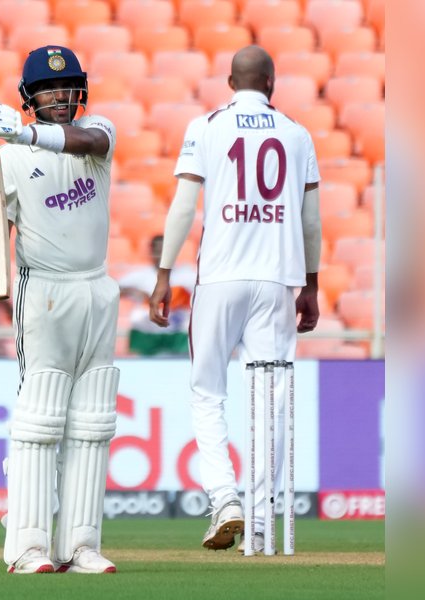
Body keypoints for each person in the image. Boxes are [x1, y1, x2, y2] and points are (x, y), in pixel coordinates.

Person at [148, 45, 321, 552]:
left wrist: (164, 273)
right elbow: (311, 220)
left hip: (219, 279)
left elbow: (183, 206)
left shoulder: (206, 126)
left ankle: (225, 497)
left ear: (230, 81)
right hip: (276, 280)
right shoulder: (297, 133)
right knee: (271, 397)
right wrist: (310, 285)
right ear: (272, 82)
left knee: (207, 392)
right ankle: (264, 518)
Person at [0, 46, 120, 574]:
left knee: (92, 421)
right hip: (43, 289)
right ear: (29, 97)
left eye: (68, 86)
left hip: (97, 288)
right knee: (40, 417)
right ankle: (27, 546)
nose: (60, 96)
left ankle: (81, 545)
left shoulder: (98, 134)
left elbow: (87, 141)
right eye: (49, 89)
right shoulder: (5, 156)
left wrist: (20, 133)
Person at [119, 235, 195, 356]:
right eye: (158, 251)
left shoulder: (188, 275)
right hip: (146, 334)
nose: (162, 256)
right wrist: (132, 291)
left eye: (165, 251)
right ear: (152, 252)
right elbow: (114, 290)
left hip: (178, 334)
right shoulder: (139, 275)